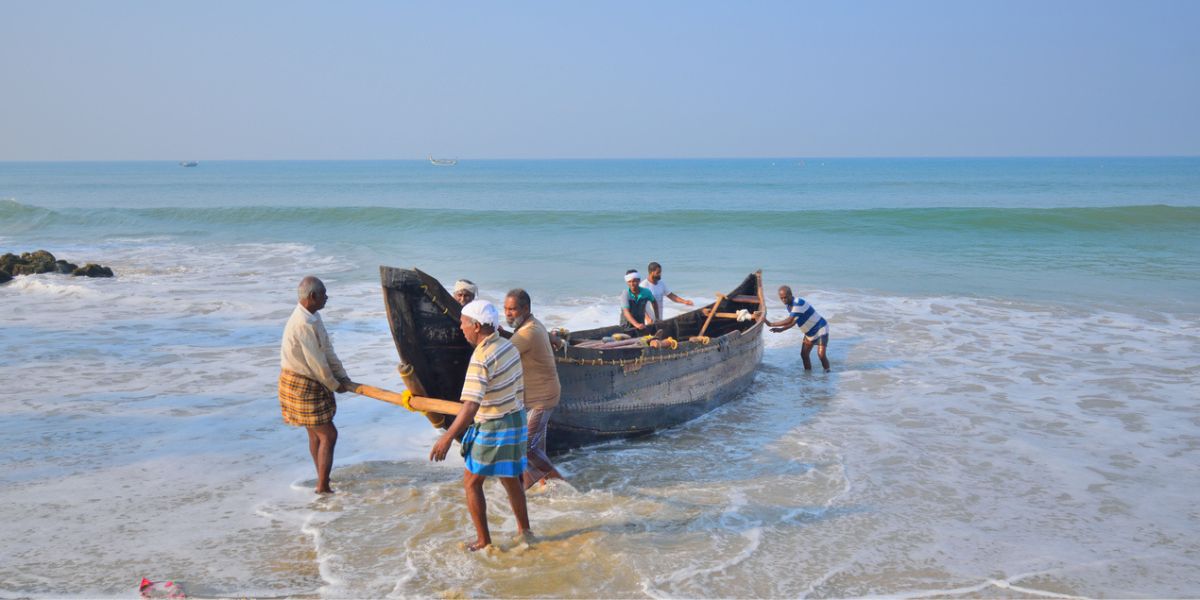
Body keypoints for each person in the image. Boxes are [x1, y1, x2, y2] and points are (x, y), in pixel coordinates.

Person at [430, 299, 532, 551]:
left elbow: (470, 406)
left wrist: (446, 437)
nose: (461, 329)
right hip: (515, 420)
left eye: (463, 324)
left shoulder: (481, 357)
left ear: (476, 326)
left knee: (471, 482)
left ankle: (483, 540)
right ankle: (525, 530)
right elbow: (520, 389)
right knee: (509, 477)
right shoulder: (507, 346)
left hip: (494, 425)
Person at [278, 276, 354, 494]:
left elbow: (327, 350)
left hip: (310, 379)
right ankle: (323, 486)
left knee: (316, 435)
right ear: (312, 296)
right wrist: (334, 384)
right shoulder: (302, 323)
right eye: (324, 295)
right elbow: (317, 362)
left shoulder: (313, 317)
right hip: (301, 382)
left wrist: (343, 376)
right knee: (327, 435)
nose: (326, 298)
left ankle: (322, 478)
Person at [503, 288, 565, 490]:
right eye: (505, 309)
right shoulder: (534, 324)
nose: (507, 313)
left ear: (525, 309)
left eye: (512, 309)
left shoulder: (527, 333)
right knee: (537, 448)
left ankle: (562, 485)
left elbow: (501, 356)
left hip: (541, 399)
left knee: (526, 447)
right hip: (541, 394)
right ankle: (542, 486)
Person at [765, 285, 831, 372]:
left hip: (820, 328)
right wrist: (781, 330)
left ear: (790, 295)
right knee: (804, 354)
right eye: (781, 298)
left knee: (821, 355)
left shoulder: (798, 303)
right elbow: (794, 322)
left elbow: (789, 320)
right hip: (809, 332)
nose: (784, 300)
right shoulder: (789, 306)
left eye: (785, 297)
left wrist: (770, 324)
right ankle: (808, 376)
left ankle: (828, 373)